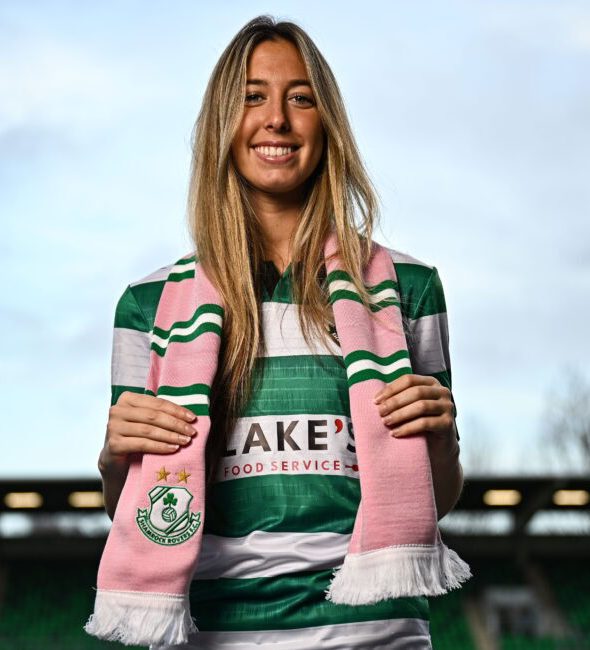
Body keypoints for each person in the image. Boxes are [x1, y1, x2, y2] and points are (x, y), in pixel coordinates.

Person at [96, 15, 463, 649]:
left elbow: (442, 491)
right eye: (252, 98)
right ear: (222, 126)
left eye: (300, 98)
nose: (277, 120)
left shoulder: (410, 287)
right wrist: (112, 458)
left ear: (328, 123)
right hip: (213, 629)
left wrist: (439, 432)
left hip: (373, 630)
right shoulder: (148, 304)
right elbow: (136, 506)